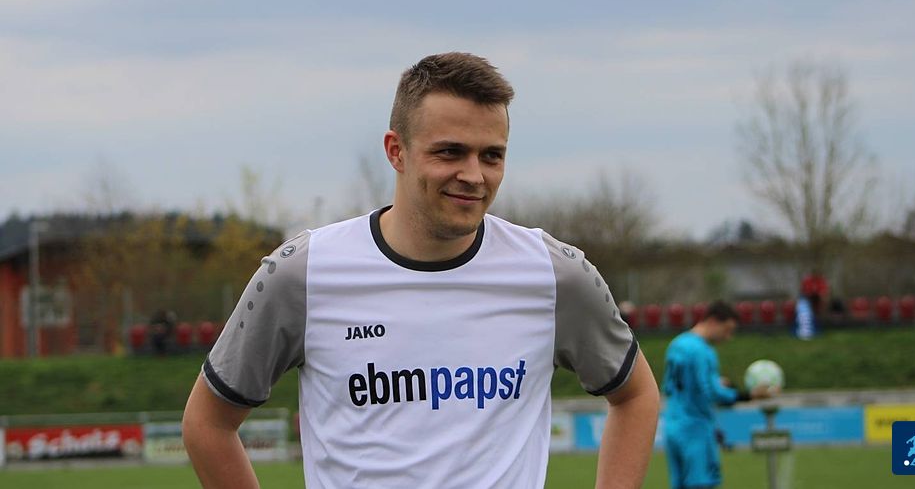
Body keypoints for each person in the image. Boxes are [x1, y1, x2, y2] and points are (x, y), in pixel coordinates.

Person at [182, 52, 660, 488]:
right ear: (396, 151)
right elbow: (207, 423)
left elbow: (636, 395)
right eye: (450, 152)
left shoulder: (555, 274)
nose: (474, 175)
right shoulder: (303, 273)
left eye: (492, 155)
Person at [662, 300, 774, 489]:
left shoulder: (677, 343)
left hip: (673, 426)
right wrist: (750, 395)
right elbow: (712, 392)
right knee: (701, 483)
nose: (728, 337)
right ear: (713, 321)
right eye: (727, 330)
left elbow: (670, 386)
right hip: (696, 427)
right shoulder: (703, 351)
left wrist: (714, 381)